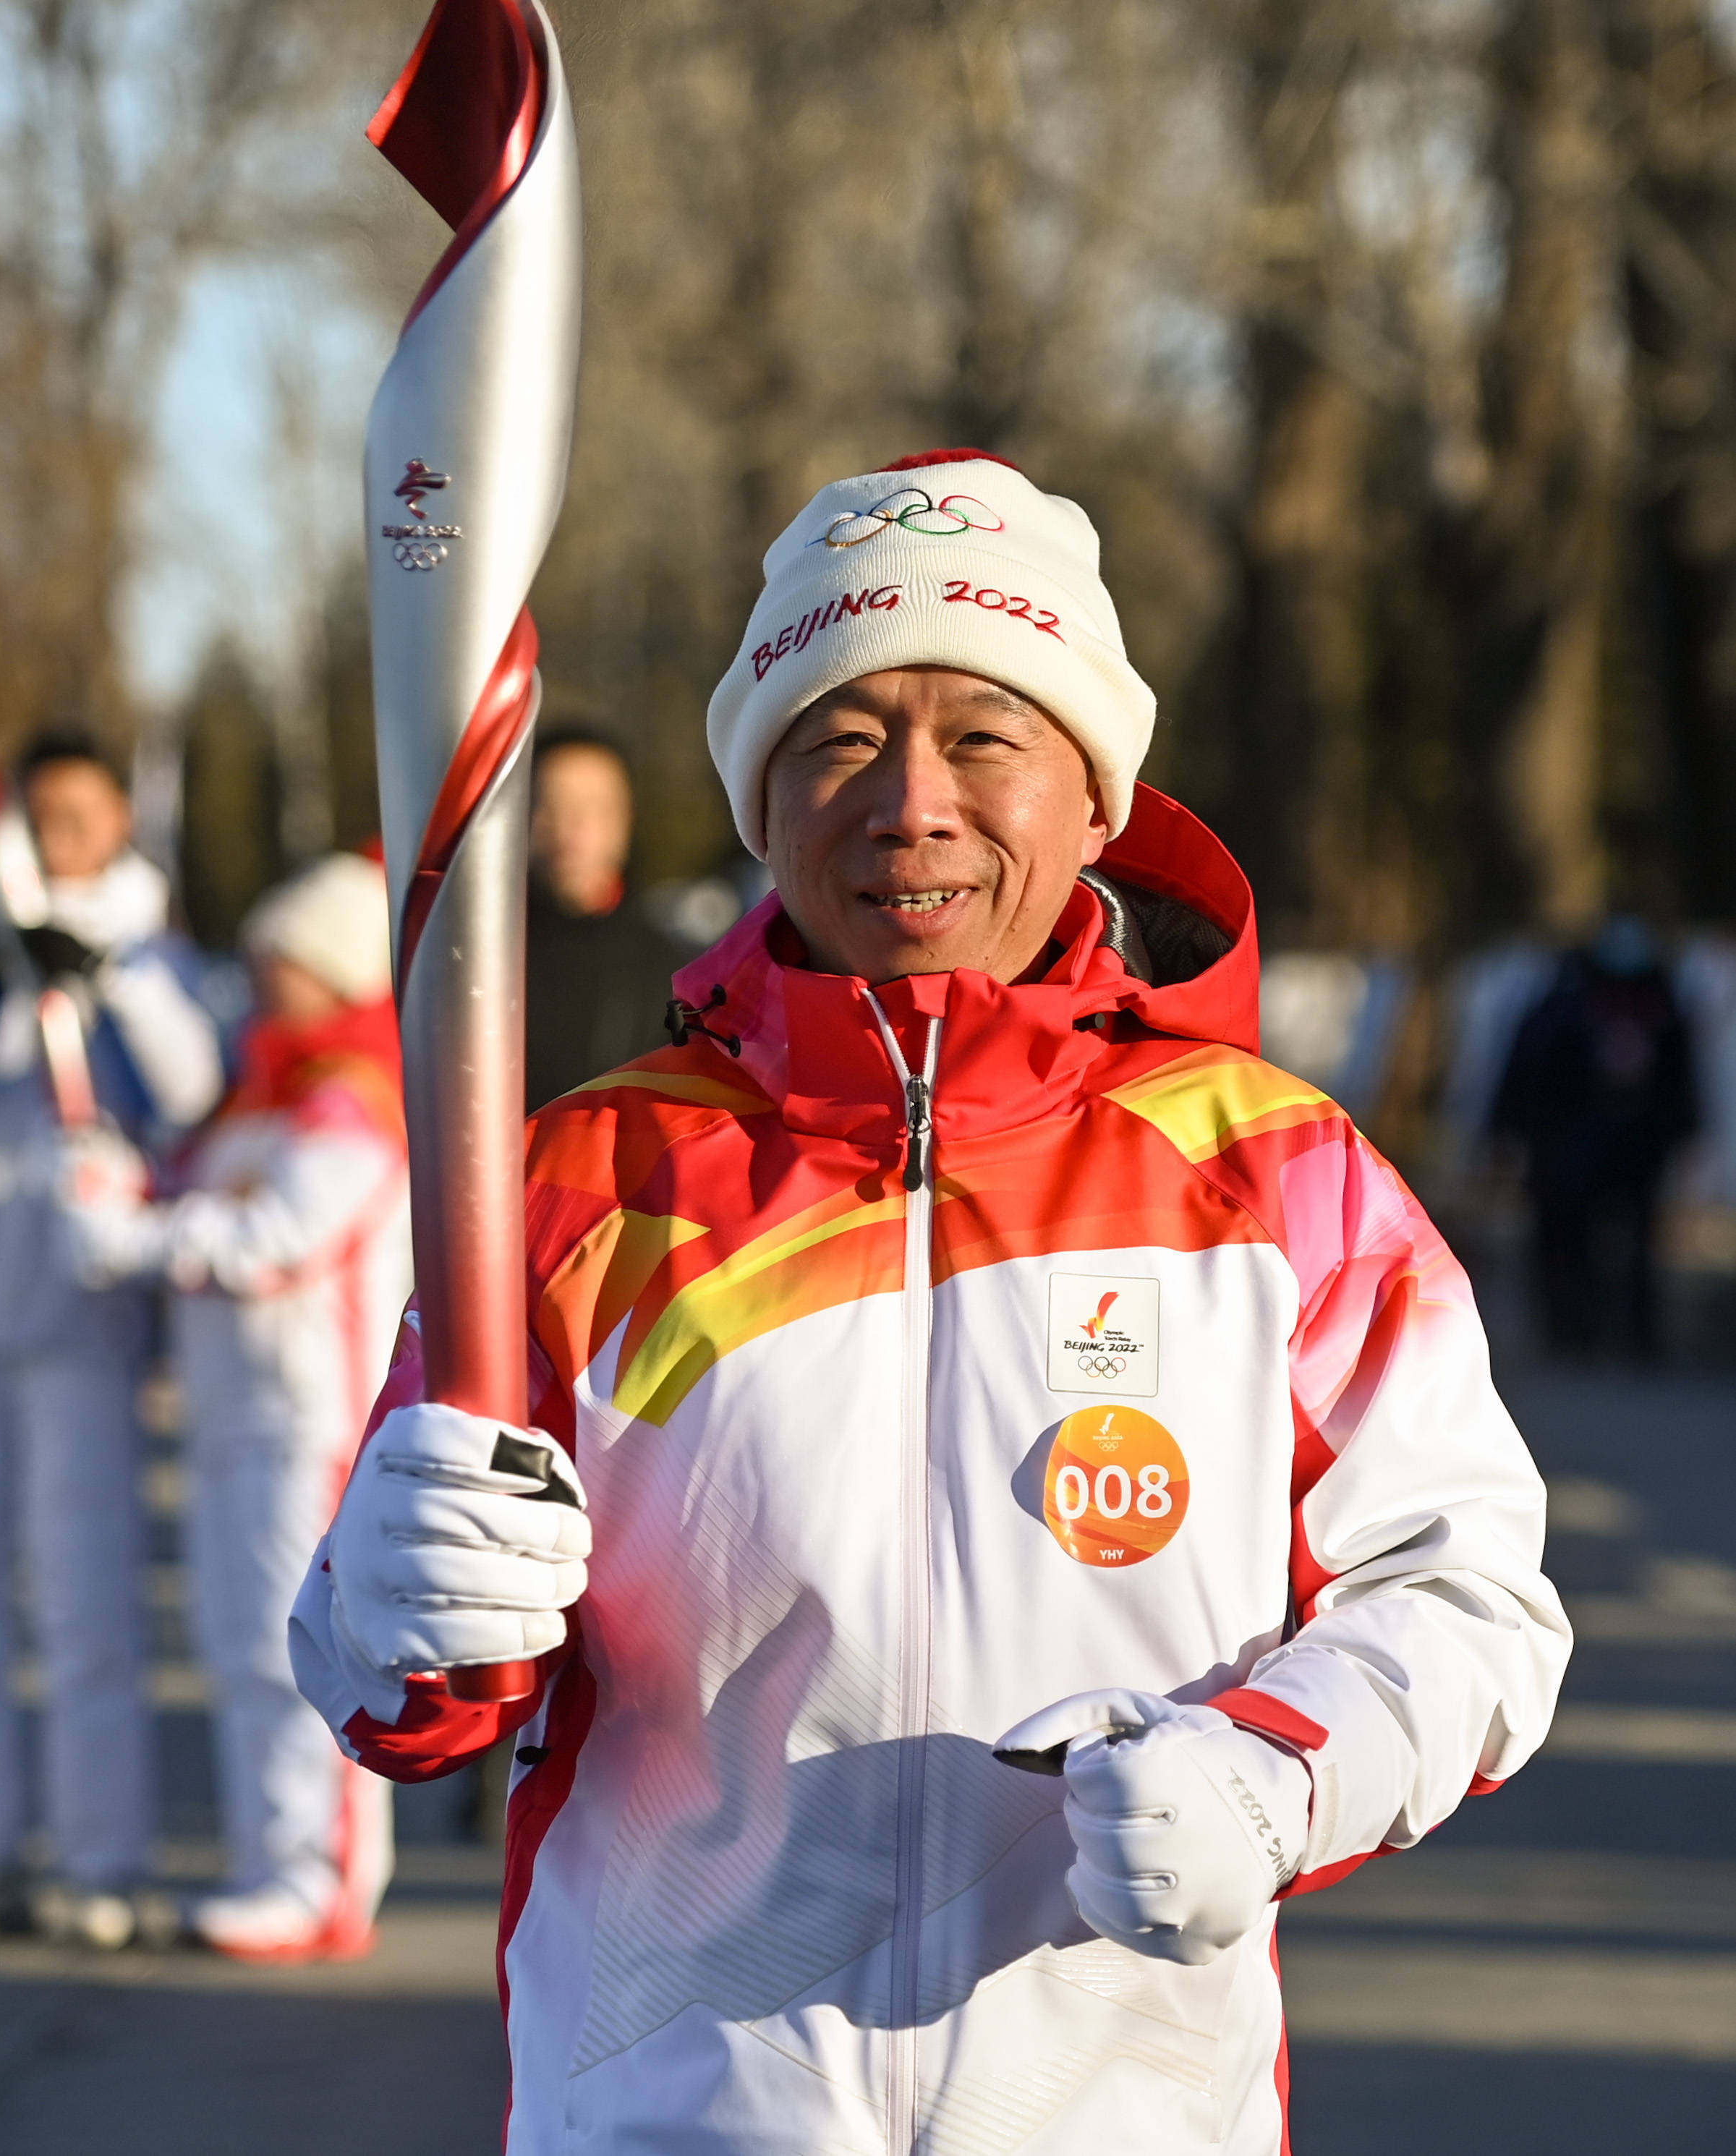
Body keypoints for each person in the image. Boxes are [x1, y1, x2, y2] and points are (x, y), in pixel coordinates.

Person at [292, 453, 1570, 2152]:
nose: (911, 802)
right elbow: (410, 1695)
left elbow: (1468, 1592)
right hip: (673, 2112)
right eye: (837, 735)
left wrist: (1273, 1771)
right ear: (758, 804)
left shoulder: (1274, 1174)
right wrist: (388, 1598)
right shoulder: (588, 1176)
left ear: (1098, 794)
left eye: (985, 732)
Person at [0, 730, 222, 1959]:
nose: (66, 834)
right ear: (15, 817)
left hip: (79, 1313)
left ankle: (100, 1861)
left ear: (117, 818)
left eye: (87, 813)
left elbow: (184, 1089)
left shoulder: (153, 940)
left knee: (87, 1598)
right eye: (45, 813)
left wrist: (102, 982)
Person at [59, 853, 406, 1961]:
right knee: (236, 1644)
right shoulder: (263, 1092)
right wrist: (125, 1183)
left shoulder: (360, 1097)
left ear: (334, 967)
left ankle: (327, 1880)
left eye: (282, 960)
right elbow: (199, 1203)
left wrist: (136, 1239)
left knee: (302, 1650)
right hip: (228, 1414)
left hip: (312, 1423)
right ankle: (270, 1864)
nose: (261, 977)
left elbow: (271, 1245)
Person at [1492, 916, 1699, 1355]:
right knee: (1563, 1237)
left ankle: (1635, 1332)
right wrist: (1511, 1133)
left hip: (1637, 1146)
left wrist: (1683, 1133)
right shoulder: (1562, 1006)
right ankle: (1570, 1327)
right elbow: (1528, 1073)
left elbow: (1680, 1083)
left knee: (1638, 1245)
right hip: (1568, 1145)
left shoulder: (1662, 1009)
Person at [524, 730, 681, 1110]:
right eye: (550, 805)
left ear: (625, 819)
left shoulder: (675, 976)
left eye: (593, 808)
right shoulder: (475, 963)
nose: (570, 827)